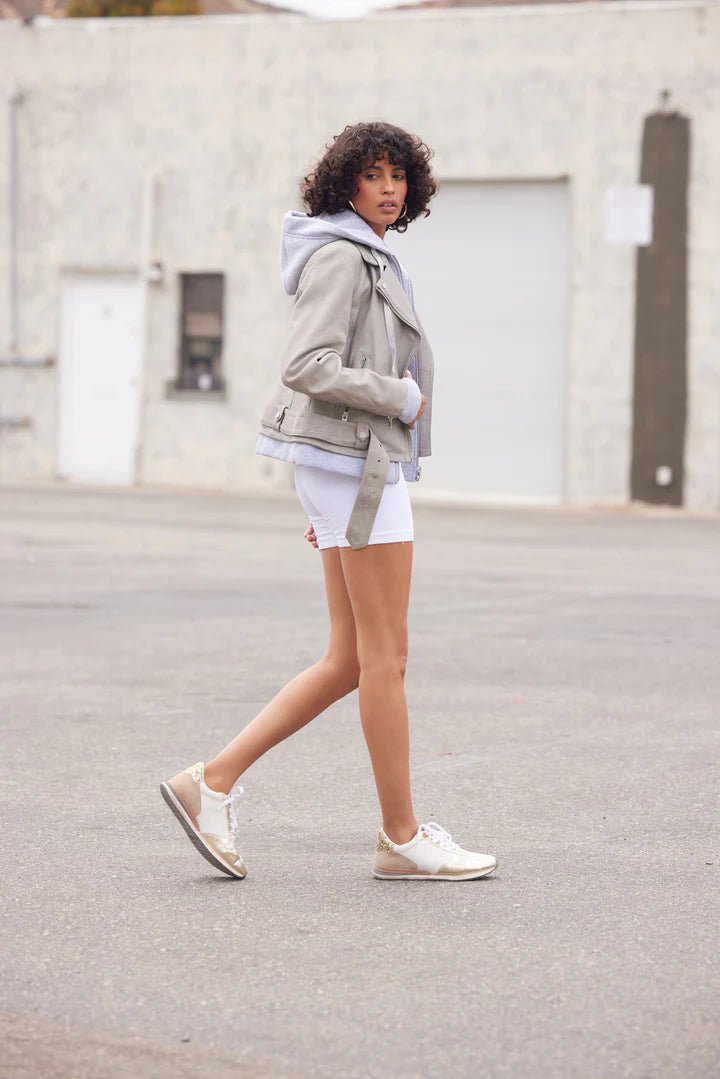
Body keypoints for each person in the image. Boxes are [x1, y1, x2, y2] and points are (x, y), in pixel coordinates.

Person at [160, 121, 497, 882]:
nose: (390, 188)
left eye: (399, 176)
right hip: (354, 466)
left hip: (350, 467)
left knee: (351, 659)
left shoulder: (364, 251)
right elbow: (307, 364)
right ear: (345, 182)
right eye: (374, 174)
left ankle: (211, 781)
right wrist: (398, 396)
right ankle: (402, 837)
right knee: (386, 658)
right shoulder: (342, 256)